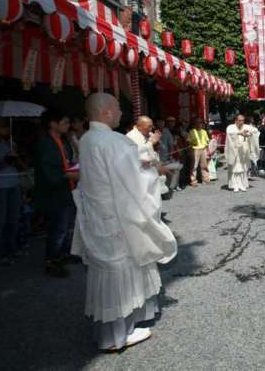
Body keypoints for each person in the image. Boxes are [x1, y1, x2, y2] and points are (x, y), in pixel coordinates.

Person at [72, 93, 177, 351]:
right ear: (107, 112)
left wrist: (142, 165)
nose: (121, 113)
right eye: (118, 108)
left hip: (98, 215)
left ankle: (119, 328)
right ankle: (117, 335)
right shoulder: (114, 141)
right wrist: (156, 171)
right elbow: (133, 183)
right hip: (119, 216)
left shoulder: (87, 138)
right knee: (124, 269)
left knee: (109, 272)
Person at [35, 109, 78, 277]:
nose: (68, 125)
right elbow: (49, 174)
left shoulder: (63, 141)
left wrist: (73, 168)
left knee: (67, 226)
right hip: (54, 193)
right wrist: (70, 174)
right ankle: (51, 261)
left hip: (66, 189)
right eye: (65, 122)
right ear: (53, 123)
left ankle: (63, 254)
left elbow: (65, 164)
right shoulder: (45, 143)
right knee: (58, 228)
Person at [0, 118, 23, 266]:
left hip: (14, 184)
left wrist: (15, 158)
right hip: (0, 187)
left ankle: (12, 249)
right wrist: (6, 160)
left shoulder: (8, 143)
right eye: (3, 126)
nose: (7, 128)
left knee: (13, 219)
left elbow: (20, 166)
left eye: (7, 125)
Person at [225, 114, 255, 192]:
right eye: (240, 120)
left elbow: (255, 131)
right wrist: (240, 133)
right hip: (234, 151)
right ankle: (235, 185)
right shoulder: (231, 127)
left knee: (243, 169)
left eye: (243, 120)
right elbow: (230, 133)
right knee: (235, 169)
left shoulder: (246, 126)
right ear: (236, 121)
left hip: (243, 151)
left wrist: (249, 133)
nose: (241, 122)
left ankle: (242, 184)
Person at [155, 117, 183, 194]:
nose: (161, 124)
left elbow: (171, 144)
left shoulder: (166, 131)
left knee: (173, 170)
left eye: (162, 122)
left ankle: (172, 186)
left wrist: (171, 154)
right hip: (156, 157)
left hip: (166, 155)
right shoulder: (153, 132)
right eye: (159, 122)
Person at [187, 118, 210, 187]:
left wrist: (208, 150)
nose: (200, 124)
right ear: (194, 124)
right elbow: (188, 141)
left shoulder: (204, 131)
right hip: (195, 150)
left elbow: (207, 141)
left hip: (203, 149)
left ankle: (206, 179)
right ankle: (193, 181)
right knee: (194, 166)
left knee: (204, 165)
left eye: (200, 123)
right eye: (198, 122)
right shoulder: (191, 131)